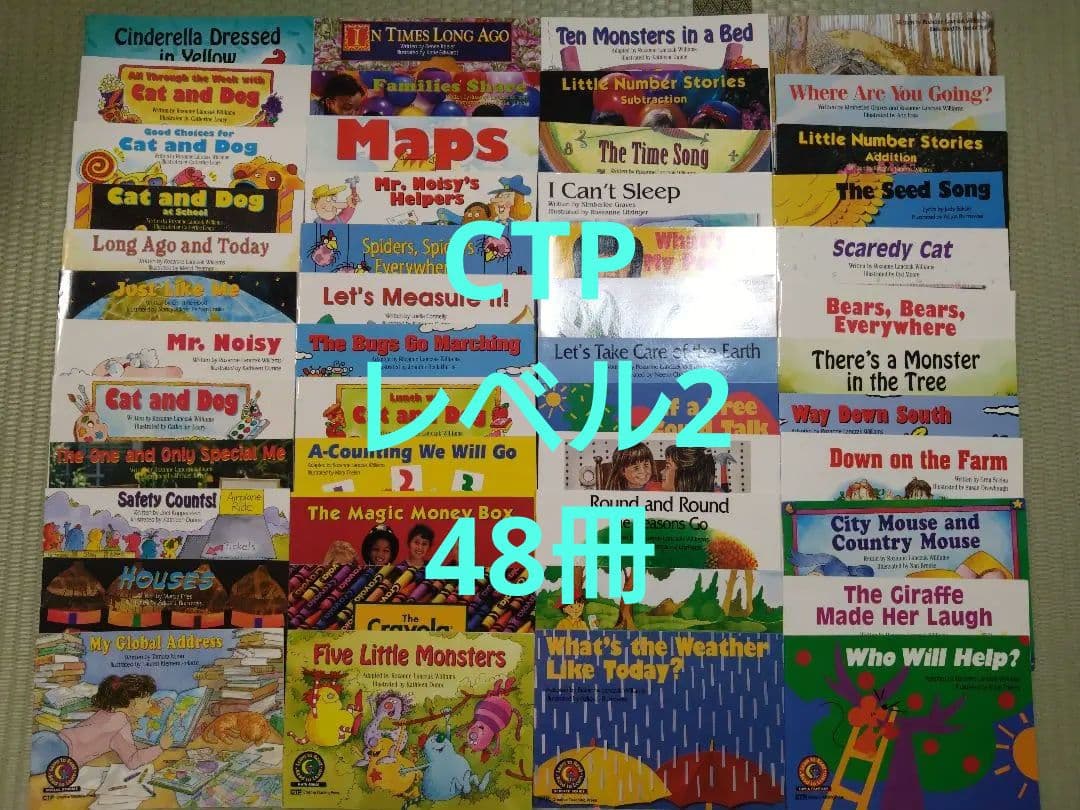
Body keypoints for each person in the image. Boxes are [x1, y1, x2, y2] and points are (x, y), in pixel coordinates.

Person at [30, 674, 171, 774]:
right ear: (132, 703)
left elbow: (103, 731)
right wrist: (161, 747)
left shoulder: (108, 711)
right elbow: (132, 761)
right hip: (57, 754)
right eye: (147, 701)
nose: (150, 705)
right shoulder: (121, 725)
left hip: (49, 738)